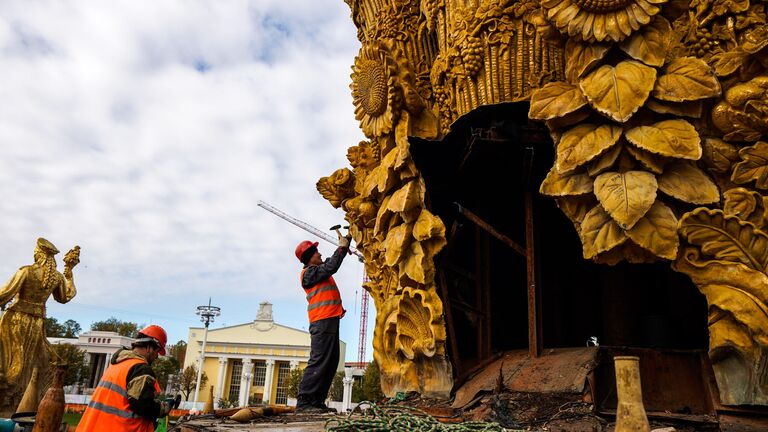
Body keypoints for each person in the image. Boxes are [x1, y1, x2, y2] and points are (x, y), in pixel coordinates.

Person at [0, 238, 79, 417]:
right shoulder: (57, 277)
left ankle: (8, 400)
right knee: (27, 363)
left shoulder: (26, 271)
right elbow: (66, 296)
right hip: (36, 324)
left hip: (15, 320)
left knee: (10, 360)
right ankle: (19, 401)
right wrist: (69, 273)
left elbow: (5, 294)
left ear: (38, 254)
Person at [293, 232, 351, 413]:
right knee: (319, 361)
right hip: (322, 322)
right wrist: (341, 248)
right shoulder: (309, 273)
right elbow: (332, 266)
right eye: (316, 252)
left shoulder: (318, 270)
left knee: (331, 361)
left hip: (329, 320)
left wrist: (346, 243)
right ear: (310, 258)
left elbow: (330, 264)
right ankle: (305, 403)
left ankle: (317, 401)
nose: (319, 254)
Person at [77, 325, 172, 431]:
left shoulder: (118, 364)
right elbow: (142, 406)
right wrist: (163, 408)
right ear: (149, 348)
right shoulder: (141, 369)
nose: (157, 356)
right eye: (157, 351)